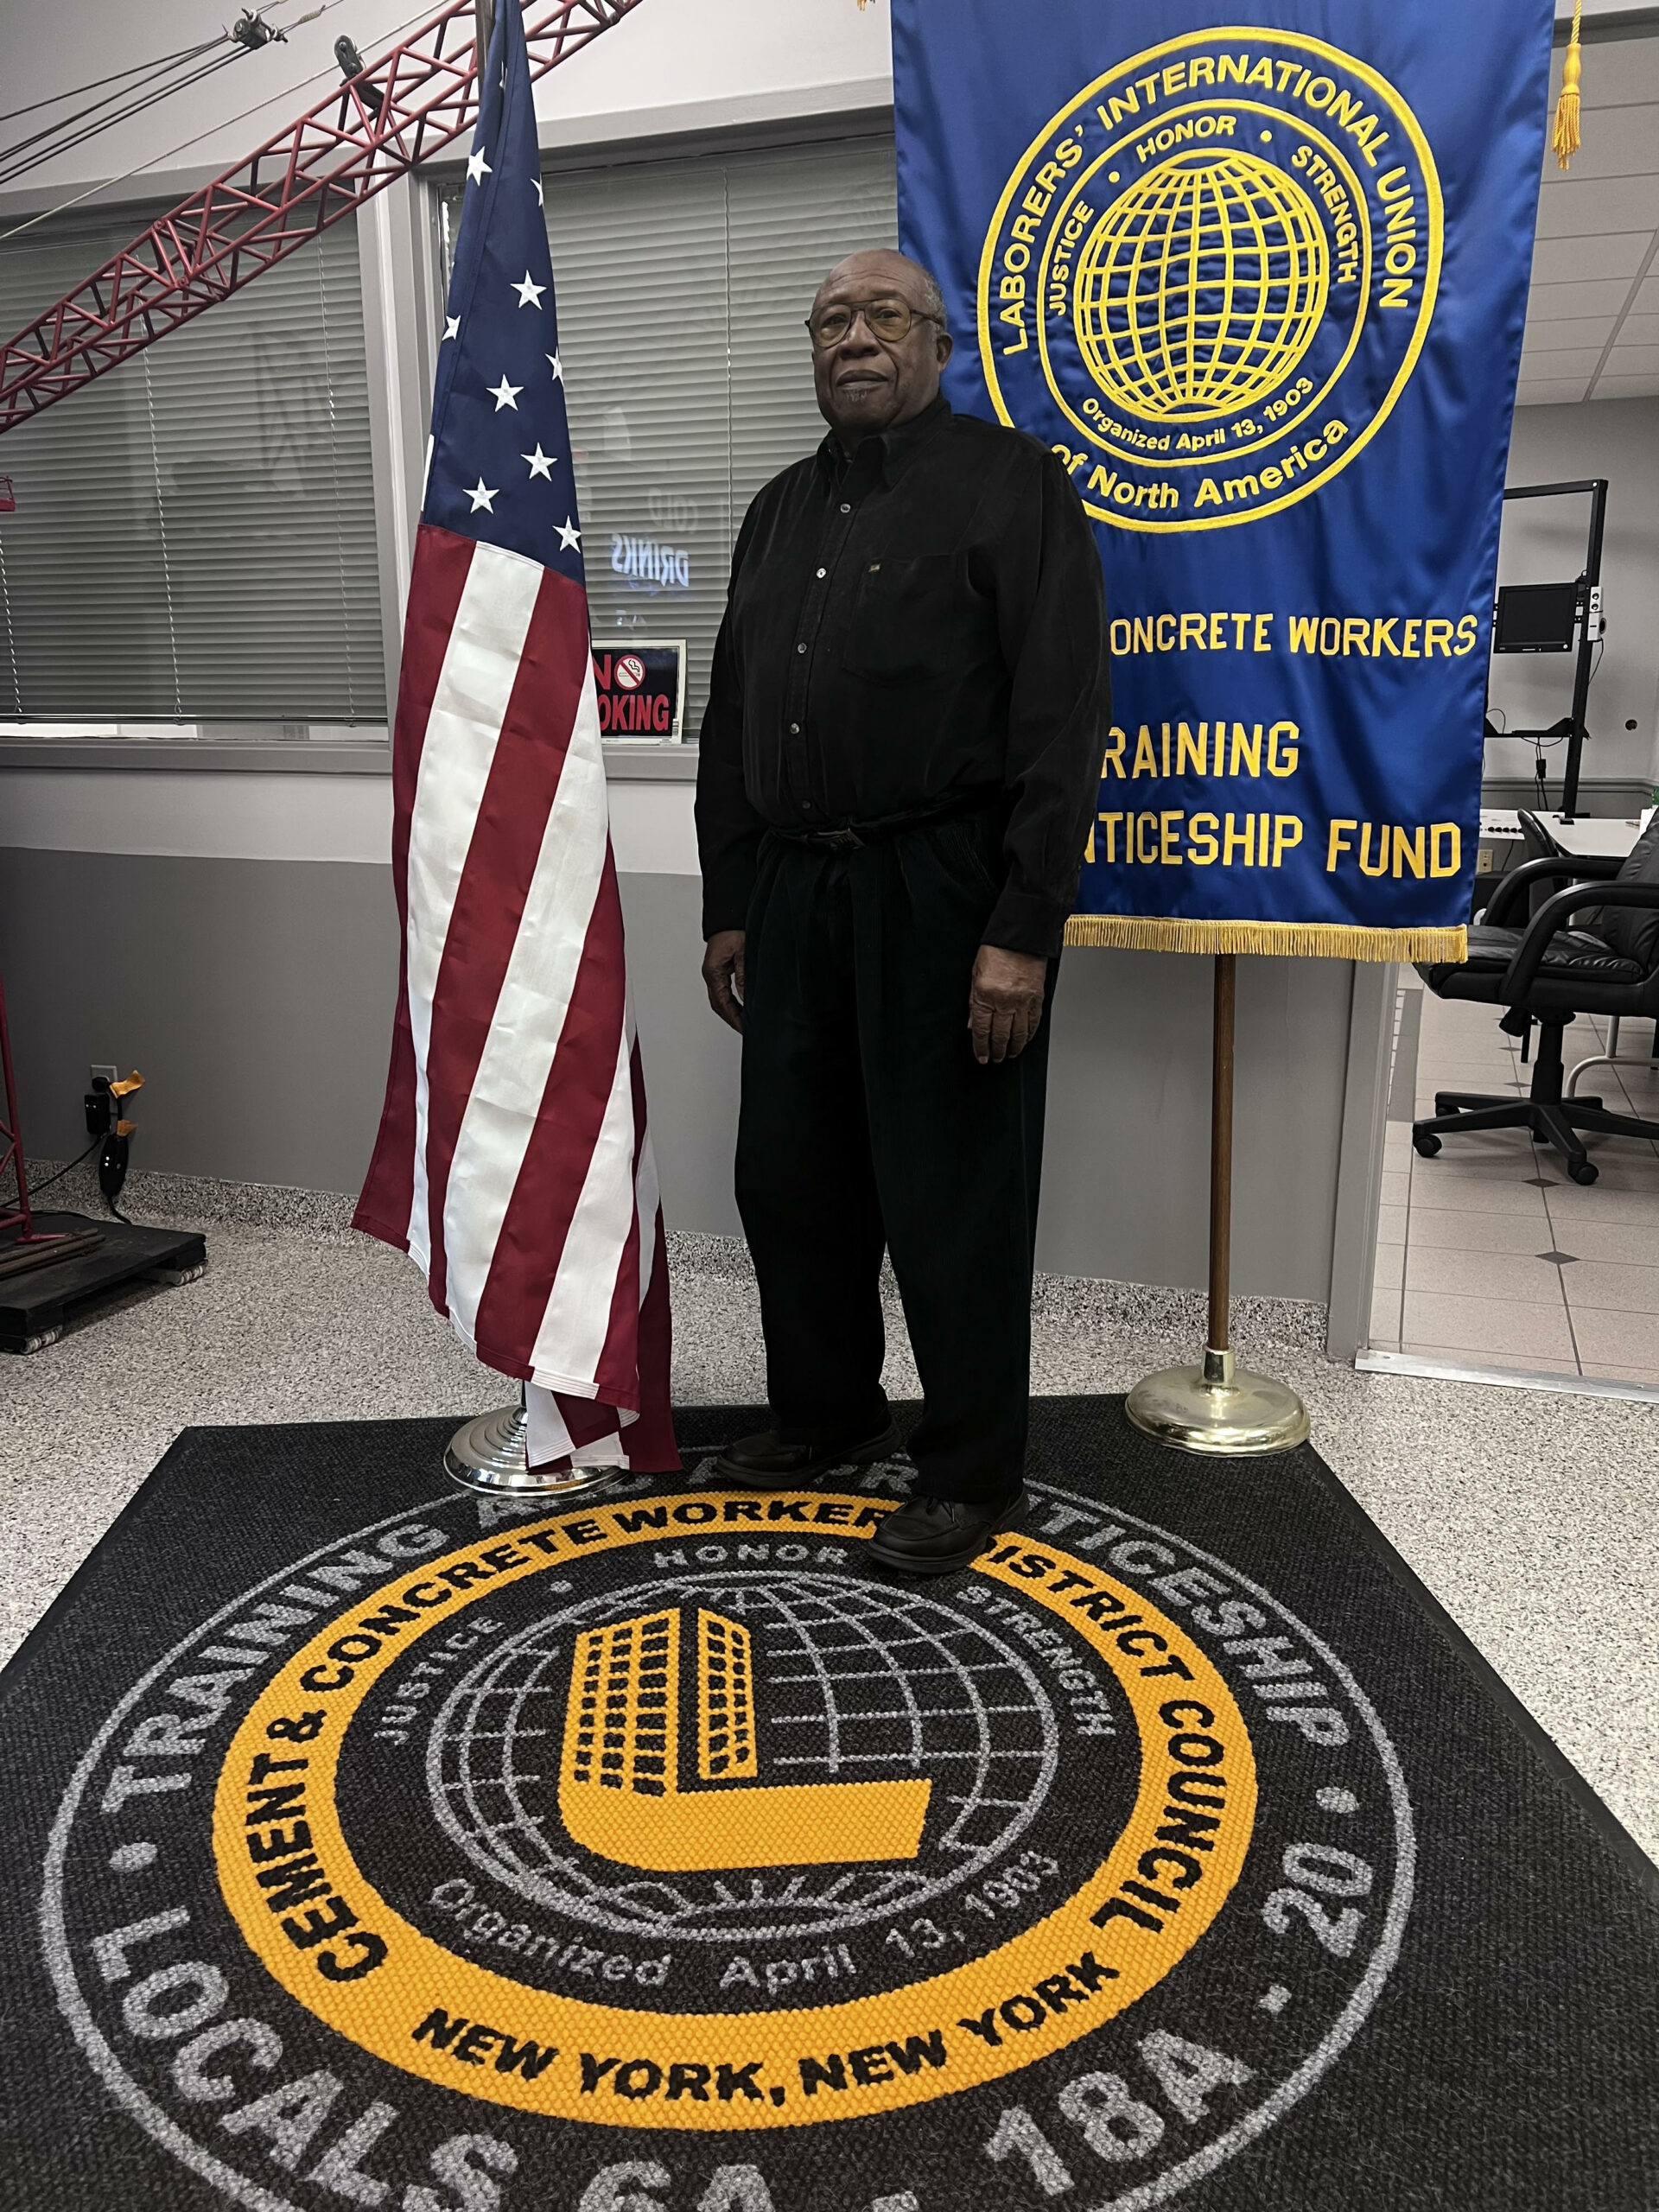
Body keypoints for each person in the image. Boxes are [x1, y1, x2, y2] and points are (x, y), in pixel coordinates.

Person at [694, 248, 1109, 1574]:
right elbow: (733, 720)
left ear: (939, 341)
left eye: (883, 315)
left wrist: (1023, 929)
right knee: (792, 1180)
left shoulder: (1013, 485)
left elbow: (1061, 717)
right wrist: (731, 901)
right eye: (831, 319)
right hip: (794, 889)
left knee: (952, 1193)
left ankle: (974, 1470)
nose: (854, 337)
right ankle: (828, 1413)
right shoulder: (776, 510)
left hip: (946, 890)